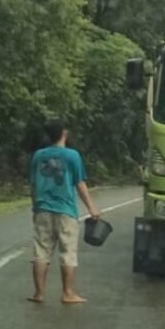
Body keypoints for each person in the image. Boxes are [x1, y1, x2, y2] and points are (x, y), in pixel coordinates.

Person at [28, 119, 99, 304]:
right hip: (66, 209)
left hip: (42, 208)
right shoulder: (72, 156)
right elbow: (80, 183)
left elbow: (34, 185)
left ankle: (38, 293)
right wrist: (91, 208)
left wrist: (35, 206)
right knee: (67, 251)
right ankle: (67, 293)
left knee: (41, 251)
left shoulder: (38, 155)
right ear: (64, 133)